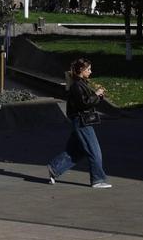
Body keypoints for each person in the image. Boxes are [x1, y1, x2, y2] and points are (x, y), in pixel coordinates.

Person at [47, 58, 112, 189]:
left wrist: (98, 95)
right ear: (81, 70)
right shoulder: (77, 85)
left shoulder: (81, 83)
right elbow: (84, 103)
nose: (90, 71)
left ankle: (55, 167)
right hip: (82, 121)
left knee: (78, 150)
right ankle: (97, 180)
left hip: (81, 120)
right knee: (94, 151)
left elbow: (88, 101)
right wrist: (96, 94)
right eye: (88, 69)